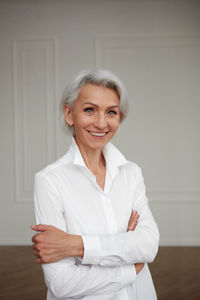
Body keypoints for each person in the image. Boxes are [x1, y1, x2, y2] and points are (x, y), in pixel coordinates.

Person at [31, 70, 159, 300]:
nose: (101, 123)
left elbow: (148, 246)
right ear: (69, 114)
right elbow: (61, 283)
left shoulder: (131, 173)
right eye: (90, 110)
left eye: (111, 112)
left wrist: (76, 245)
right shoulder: (49, 181)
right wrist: (130, 264)